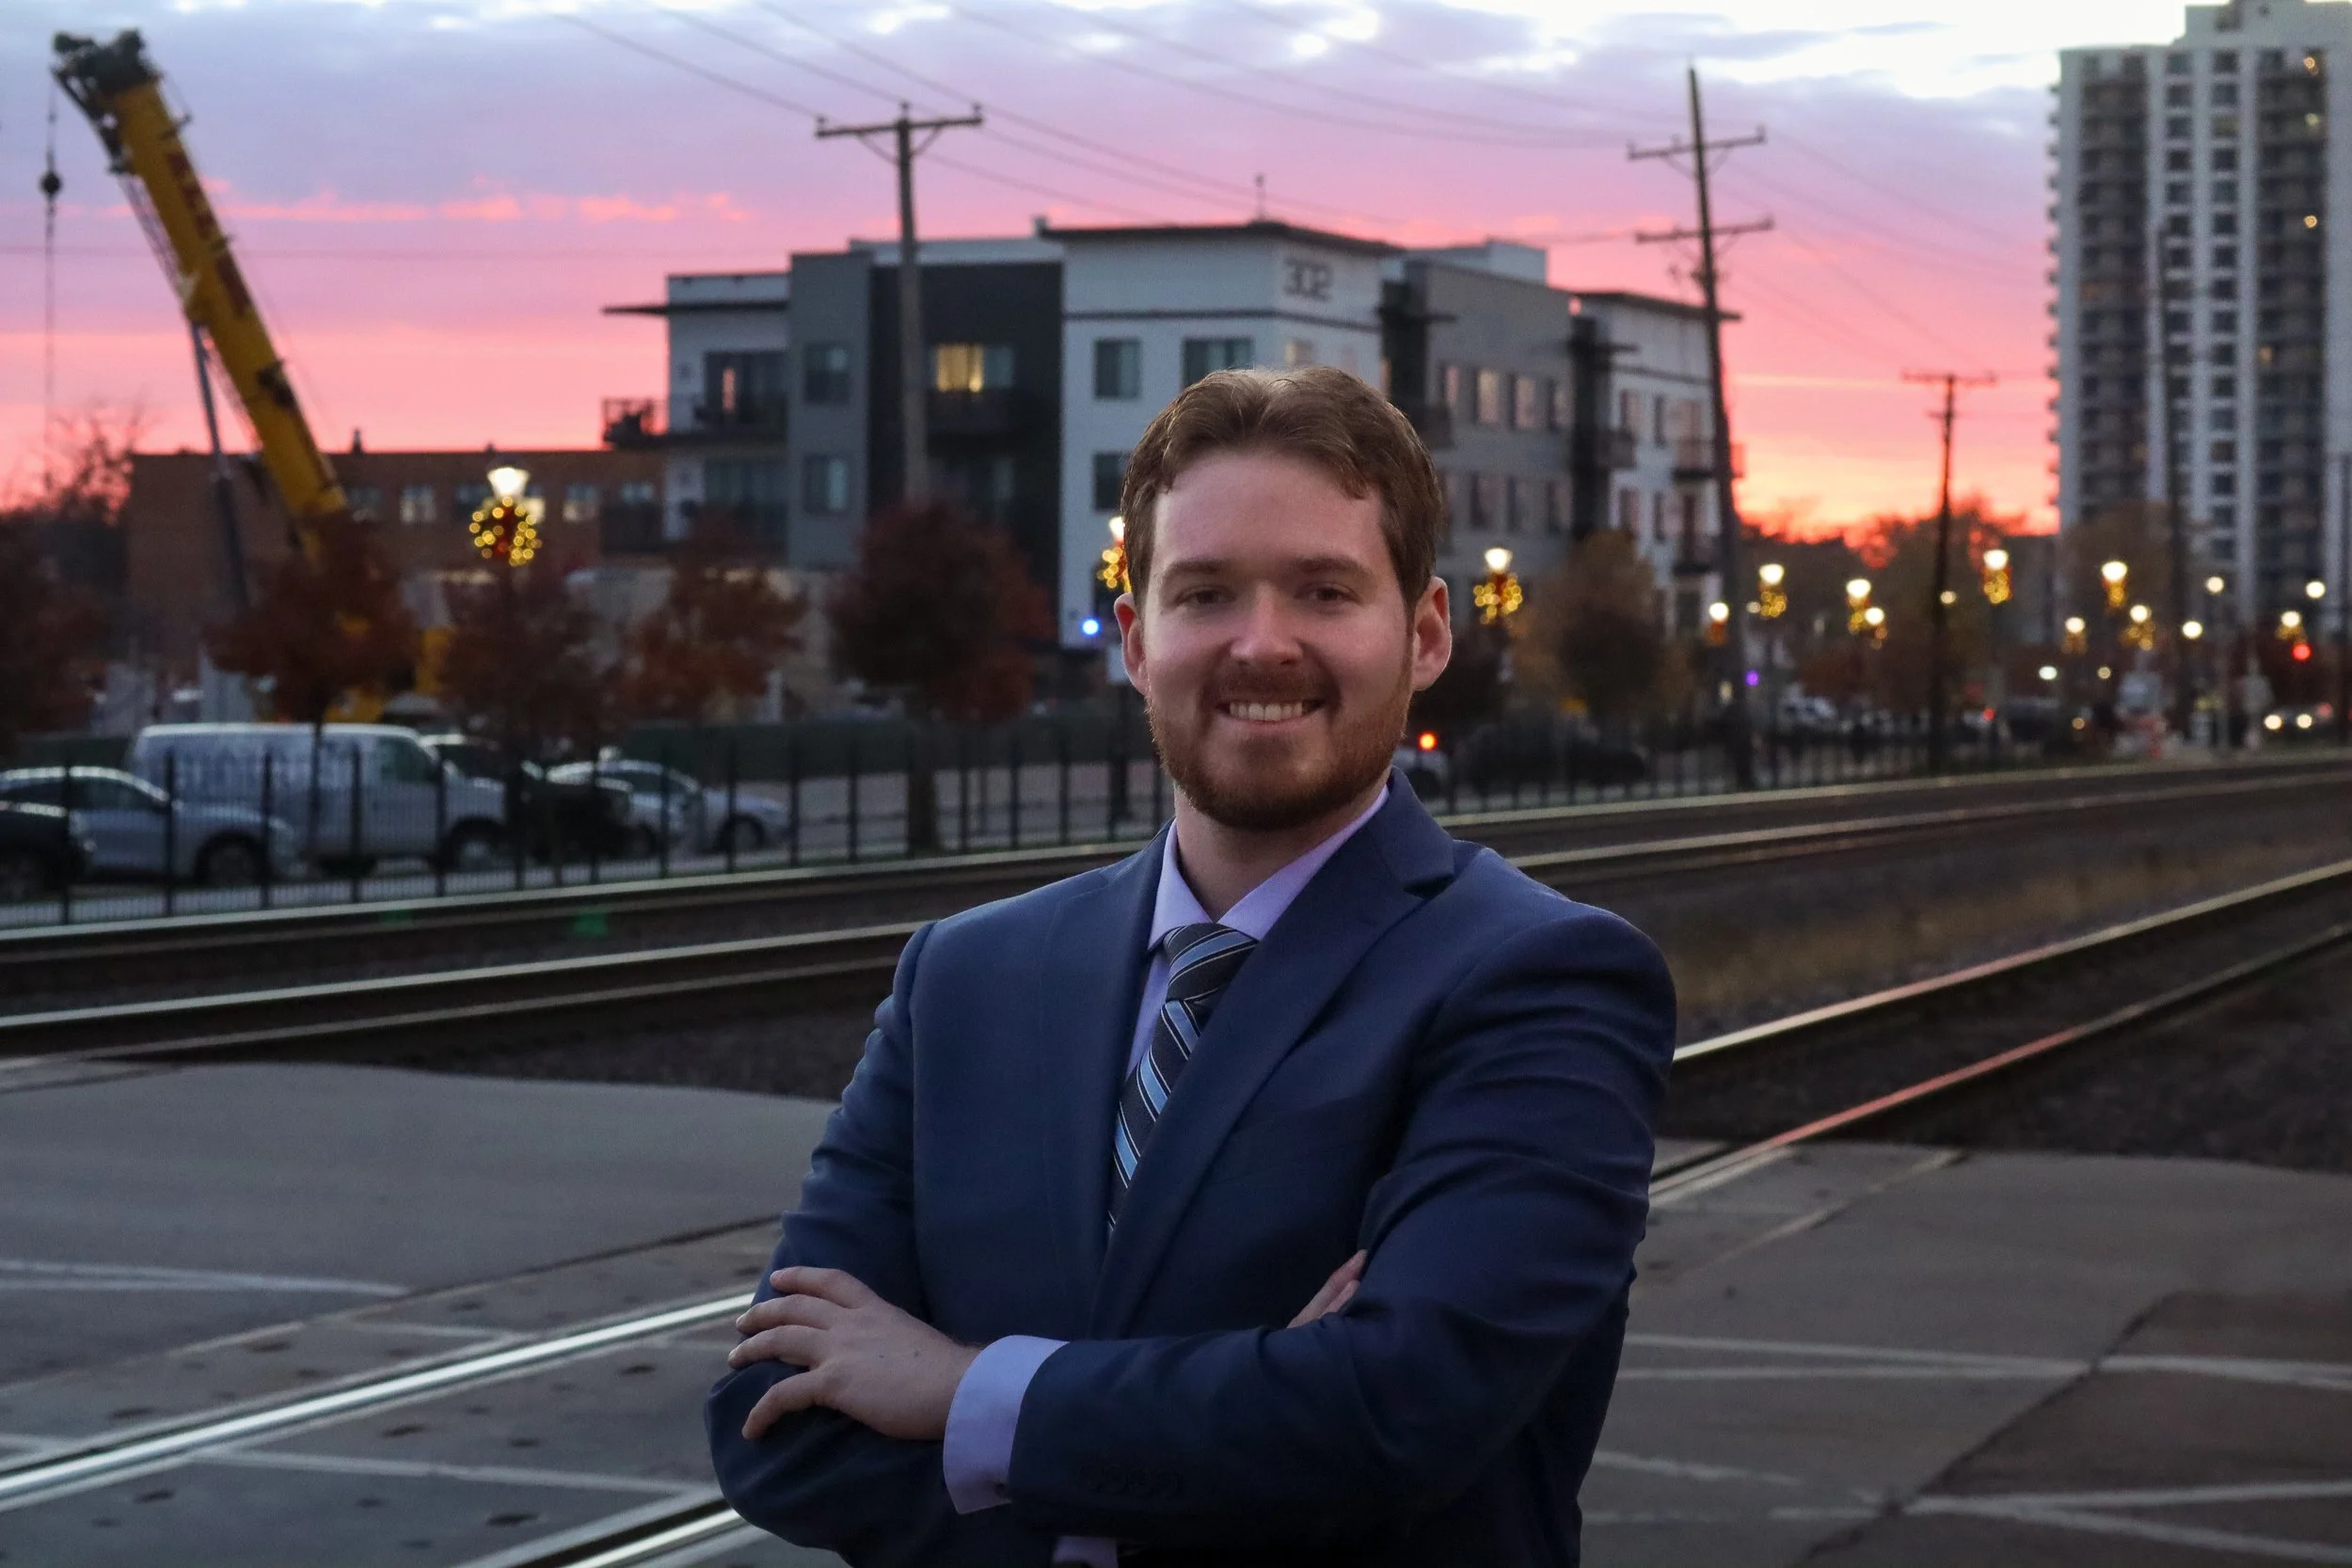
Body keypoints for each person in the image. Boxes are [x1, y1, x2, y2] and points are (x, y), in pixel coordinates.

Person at [707, 366, 1677, 1566]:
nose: (1261, 643)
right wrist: (1240, 1425)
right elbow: (769, 1424)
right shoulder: (964, 978)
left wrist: (965, 1390)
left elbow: (1394, 1409)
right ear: (1134, 637)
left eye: (1324, 590)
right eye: (1205, 592)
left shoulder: (1539, 979)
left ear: (1423, 634)